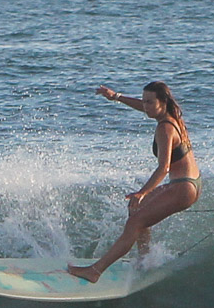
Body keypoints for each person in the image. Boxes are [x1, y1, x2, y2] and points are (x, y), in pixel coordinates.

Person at [68, 81, 200, 283]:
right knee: (136, 211)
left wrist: (142, 192)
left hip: (183, 187)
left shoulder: (165, 129)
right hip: (188, 183)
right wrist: (116, 96)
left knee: (134, 222)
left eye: (149, 102)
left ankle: (95, 271)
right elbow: (143, 107)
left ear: (162, 102)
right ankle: (145, 259)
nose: (145, 106)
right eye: (144, 101)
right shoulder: (171, 116)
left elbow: (163, 168)